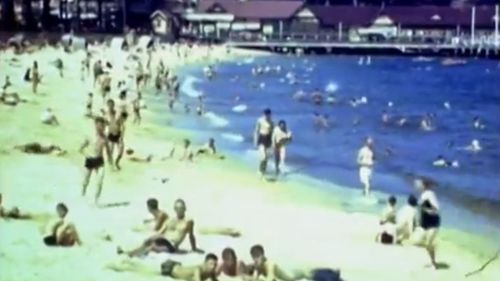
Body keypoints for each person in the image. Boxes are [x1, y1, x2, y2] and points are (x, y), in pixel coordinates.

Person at [118, 199, 203, 256]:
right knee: (147, 242)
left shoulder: (188, 221)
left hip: (172, 245)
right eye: (177, 208)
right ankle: (128, 253)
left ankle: (130, 254)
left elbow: (191, 235)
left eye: (181, 208)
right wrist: (152, 237)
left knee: (152, 248)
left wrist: (194, 249)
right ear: (174, 209)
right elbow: (160, 232)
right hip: (163, 239)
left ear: (185, 208)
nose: (179, 210)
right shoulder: (170, 220)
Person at [248, 245, 342, 281]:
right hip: (297, 274)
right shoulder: (260, 266)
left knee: (319, 276)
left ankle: (334, 272)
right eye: (254, 257)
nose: (256, 260)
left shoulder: (270, 264)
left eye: (258, 256)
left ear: (263, 255)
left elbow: (270, 278)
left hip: (300, 274)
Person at [80, 117, 113, 204]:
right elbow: (81, 148)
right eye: (99, 125)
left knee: (100, 181)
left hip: (99, 160)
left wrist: (111, 163)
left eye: (103, 126)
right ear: (95, 125)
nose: (102, 128)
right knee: (85, 181)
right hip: (90, 160)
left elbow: (108, 151)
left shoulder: (105, 138)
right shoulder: (90, 136)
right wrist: (85, 154)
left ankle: (96, 201)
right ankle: (82, 194)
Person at [415, 178, 441, 269]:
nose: (417, 185)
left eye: (418, 184)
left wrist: (426, 210)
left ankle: (433, 264)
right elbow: (420, 209)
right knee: (421, 242)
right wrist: (418, 221)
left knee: (428, 243)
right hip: (425, 222)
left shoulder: (430, 194)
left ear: (423, 185)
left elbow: (436, 208)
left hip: (433, 221)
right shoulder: (422, 195)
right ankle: (432, 261)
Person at [254, 109, 274, 177]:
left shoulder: (272, 123)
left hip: (268, 140)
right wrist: (255, 141)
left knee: (266, 158)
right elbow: (256, 131)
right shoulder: (260, 120)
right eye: (265, 114)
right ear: (263, 114)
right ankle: (260, 170)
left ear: (270, 115)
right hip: (262, 138)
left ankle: (263, 171)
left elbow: (272, 134)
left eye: (268, 115)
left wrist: (273, 145)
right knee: (263, 157)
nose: (266, 116)